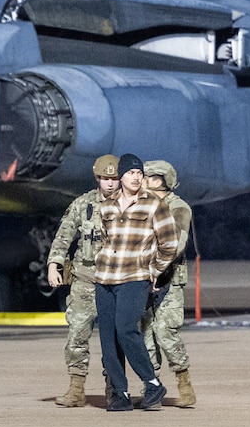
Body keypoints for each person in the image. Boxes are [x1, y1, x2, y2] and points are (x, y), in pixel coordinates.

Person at [93, 153, 181, 412]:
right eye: (131, 173)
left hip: (135, 276)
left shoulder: (154, 204)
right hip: (105, 277)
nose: (136, 177)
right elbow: (105, 239)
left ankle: (152, 383)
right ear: (121, 177)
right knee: (108, 338)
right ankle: (119, 393)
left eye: (139, 173)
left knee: (126, 329)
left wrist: (154, 269)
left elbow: (170, 243)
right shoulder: (107, 206)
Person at [45, 154, 120, 408]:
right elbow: (64, 235)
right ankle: (76, 388)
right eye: (105, 178)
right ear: (97, 177)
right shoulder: (83, 204)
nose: (109, 183)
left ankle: (115, 388)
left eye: (114, 178)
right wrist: (54, 263)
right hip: (85, 280)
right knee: (77, 334)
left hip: (117, 281)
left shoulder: (130, 204)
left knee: (115, 339)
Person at [141, 160, 196, 408]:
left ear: (162, 180)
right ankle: (151, 387)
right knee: (145, 336)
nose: (144, 180)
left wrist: (157, 267)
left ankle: (184, 384)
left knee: (166, 333)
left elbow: (177, 243)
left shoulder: (179, 208)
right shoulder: (142, 206)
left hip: (169, 280)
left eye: (150, 177)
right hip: (141, 280)